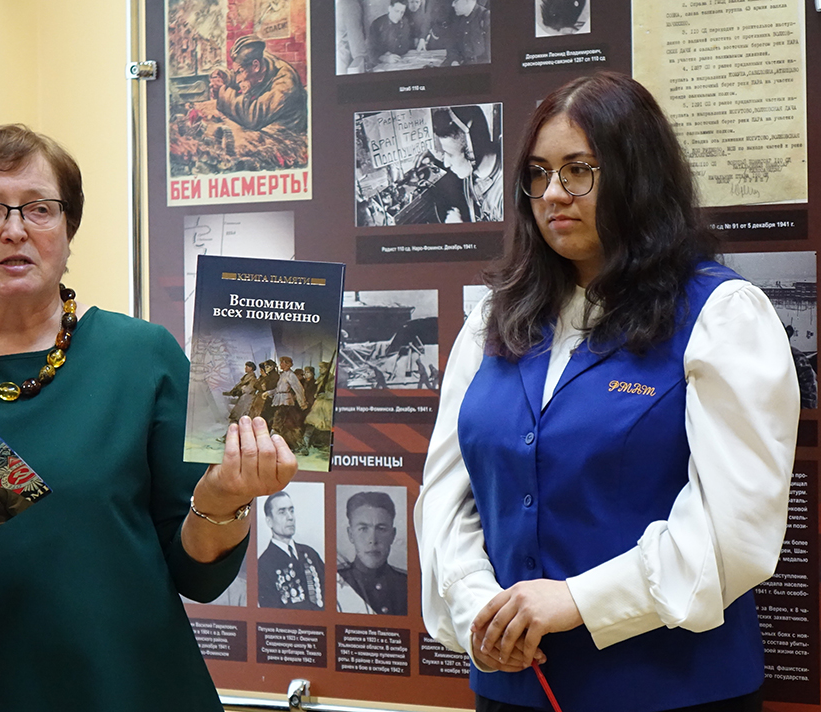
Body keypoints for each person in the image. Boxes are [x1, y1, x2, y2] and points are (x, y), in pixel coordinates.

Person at [0, 124, 298, 712]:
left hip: (123, 690)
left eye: (40, 209)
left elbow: (200, 578)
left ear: (68, 231)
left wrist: (223, 500)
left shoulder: (142, 358)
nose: (16, 229)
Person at [415, 73, 799, 712]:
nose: (552, 194)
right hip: (514, 691)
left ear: (636, 175)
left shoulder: (721, 314)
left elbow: (734, 530)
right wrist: (479, 606)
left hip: (673, 693)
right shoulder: (492, 318)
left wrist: (577, 600)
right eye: (538, 174)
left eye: (578, 171)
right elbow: (447, 497)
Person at [209, 34, 308, 134]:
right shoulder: (261, 61)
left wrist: (223, 92)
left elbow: (253, 116)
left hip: (286, 135)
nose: (238, 80)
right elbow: (240, 72)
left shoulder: (285, 82)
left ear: (256, 66)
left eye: (240, 72)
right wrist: (225, 77)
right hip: (266, 130)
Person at [337, 491, 408, 615]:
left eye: (381, 529)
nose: (373, 540)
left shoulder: (408, 583)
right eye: (363, 529)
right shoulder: (337, 581)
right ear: (351, 535)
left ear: (392, 535)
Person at [431, 105, 503, 223]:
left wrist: (462, 229)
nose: (446, 163)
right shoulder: (474, 167)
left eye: (450, 154)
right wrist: (433, 161)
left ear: (472, 152)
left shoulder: (504, 195)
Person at [258, 490, 325, 610]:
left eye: (291, 511)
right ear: (269, 521)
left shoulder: (310, 553)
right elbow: (271, 611)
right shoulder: (263, 565)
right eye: (282, 512)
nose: (290, 517)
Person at [270, 356, 308, 448]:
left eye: (282, 362)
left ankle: (272, 440)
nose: (280, 364)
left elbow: (298, 389)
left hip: (286, 401)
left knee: (279, 421)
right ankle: (293, 444)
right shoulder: (283, 375)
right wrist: (268, 393)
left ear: (287, 364)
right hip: (280, 400)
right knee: (287, 424)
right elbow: (278, 389)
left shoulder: (291, 375)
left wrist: (302, 402)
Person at [368, 0, 413, 68]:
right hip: (382, 64)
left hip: (401, 62)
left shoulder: (405, 22)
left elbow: (406, 45)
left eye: (402, 12)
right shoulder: (377, 24)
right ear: (390, 8)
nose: (399, 15)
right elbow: (370, 51)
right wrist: (385, 58)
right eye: (397, 11)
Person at [443, 0, 490, 66]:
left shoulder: (486, 17)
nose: (452, 5)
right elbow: (452, 45)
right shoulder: (457, 19)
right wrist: (454, 60)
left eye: (456, 1)